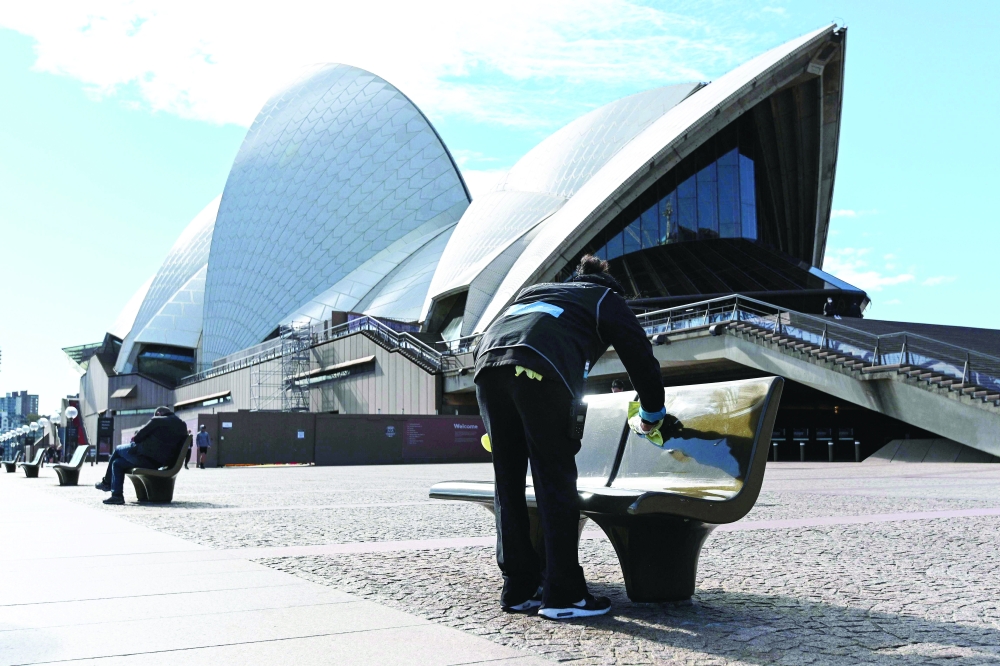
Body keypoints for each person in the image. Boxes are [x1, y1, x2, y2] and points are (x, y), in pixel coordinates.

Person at [474, 254, 665, 620]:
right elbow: (640, 357)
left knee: (508, 481)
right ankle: (563, 594)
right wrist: (652, 413)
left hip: (487, 367)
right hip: (538, 369)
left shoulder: (535, 291)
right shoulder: (605, 299)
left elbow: (499, 333)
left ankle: (518, 588)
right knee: (554, 477)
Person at [95, 406, 187, 504]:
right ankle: (116, 495)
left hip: (146, 458)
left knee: (117, 449)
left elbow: (138, 437)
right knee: (117, 463)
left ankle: (107, 483)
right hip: (159, 463)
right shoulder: (182, 425)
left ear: (159, 413)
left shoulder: (158, 420)